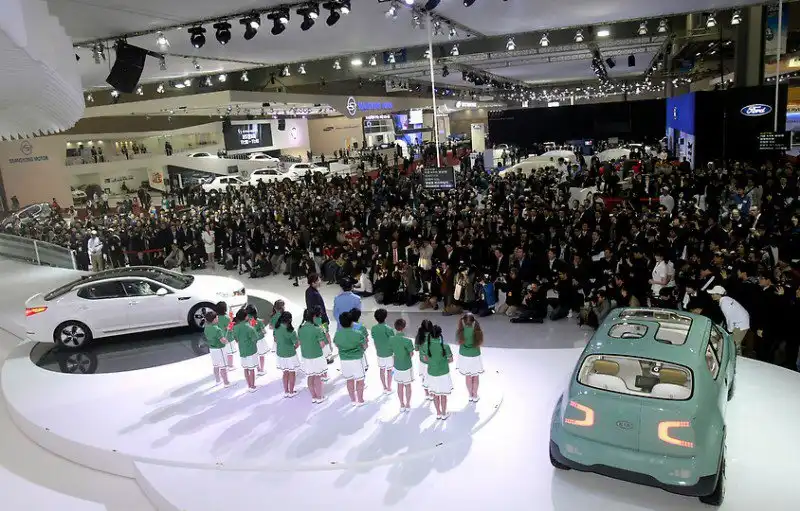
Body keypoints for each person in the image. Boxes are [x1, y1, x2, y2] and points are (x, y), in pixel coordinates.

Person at [333, 311, 368, 406]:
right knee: (360, 380)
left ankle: (353, 400)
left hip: (344, 360)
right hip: (357, 360)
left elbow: (337, 344)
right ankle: (360, 400)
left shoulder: (337, 334)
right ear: (352, 322)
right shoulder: (358, 333)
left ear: (341, 323)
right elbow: (365, 346)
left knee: (349, 380)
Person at [421, 325, 454, 420]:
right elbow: (450, 360)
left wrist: (433, 362)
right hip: (443, 373)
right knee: (443, 394)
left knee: (435, 394)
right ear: (440, 334)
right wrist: (442, 362)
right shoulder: (445, 346)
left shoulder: (425, 345)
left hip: (432, 373)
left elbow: (425, 359)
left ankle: (438, 413)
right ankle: (444, 413)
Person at [708, 286, 750, 356]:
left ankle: (737, 358)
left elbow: (730, 318)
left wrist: (730, 330)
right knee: (735, 344)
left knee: (732, 345)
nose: (711, 295)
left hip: (740, 324)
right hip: (742, 322)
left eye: (713, 294)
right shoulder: (726, 299)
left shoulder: (724, 303)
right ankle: (738, 356)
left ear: (719, 295)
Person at [298, 308, 328, 403]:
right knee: (318, 377)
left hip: (305, 356)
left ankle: (314, 396)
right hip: (316, 356)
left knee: (310, 376)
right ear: (313, 316)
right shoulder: (317, 328)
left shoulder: (300, 328)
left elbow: (299, 342)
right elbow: (322, 345)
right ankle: (320, 397)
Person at [456, 313, 484, 402]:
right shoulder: (477, 331)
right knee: (475, 376)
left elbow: (459, 342)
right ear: (473, 321)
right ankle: (475, 395)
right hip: (475, 355)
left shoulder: (460, 331)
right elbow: (480, 342)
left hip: (464, 356)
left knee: (468, 376)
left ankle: (470, 395)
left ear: (463, 321)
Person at [389, 318, 415, 412]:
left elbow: (391, 351)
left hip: (397, 365)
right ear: (404, 327)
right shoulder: (407, 341)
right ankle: (408, 404)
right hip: (406, 365)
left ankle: (401, 404)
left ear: (395, 327)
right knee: (407, 385)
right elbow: (411, 354)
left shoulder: (391, 339)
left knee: (399, 386)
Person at [274, 311, 301, 398]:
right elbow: (297, 344)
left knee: (285, 372)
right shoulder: (291, 331)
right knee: (292, 372)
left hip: (280, 354)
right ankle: (291, 391)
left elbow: (275, 339)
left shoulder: (276, 328)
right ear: (290, 320)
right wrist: (293, 348)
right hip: (290, 354)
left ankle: (286, 391)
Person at [232, 309, 259, 392]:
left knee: (246, 369)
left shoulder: (235, 327)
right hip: (251, 351)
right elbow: (255, 339)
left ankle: (249, 385)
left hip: (242, 351)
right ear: (246, 317)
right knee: (251, 369)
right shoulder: (250, 328)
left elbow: (236, 339)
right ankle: (253, 386)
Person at [371, 308, 395, 394]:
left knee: (382, 370)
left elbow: (374, 340)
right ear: (385, 317)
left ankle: (384, 387)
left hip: (379, 353)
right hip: (389, 353)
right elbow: (393, 341)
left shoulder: (373, 328)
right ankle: (389, 388)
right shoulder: (389, 329)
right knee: (389, 370)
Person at [203, 310, 230, 387]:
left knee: (215, 366)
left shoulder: (206, 328)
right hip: (220, 349)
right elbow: (223, 341)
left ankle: (218, 380)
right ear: (214, 319)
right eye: (217, 317)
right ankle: (226, 382)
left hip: (212, 349)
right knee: (223, 367)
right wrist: (226, 341)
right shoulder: (217, 329)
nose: (218, 318)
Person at [415, 319, 434, 401]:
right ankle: (432, 393)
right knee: (432, 377)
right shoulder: (434, 335)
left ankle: (426, 393)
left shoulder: (419, 335)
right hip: (432, 361)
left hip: (423, 361)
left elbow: (416, 349)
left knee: (423, 376)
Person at [246, 304, 268, 375]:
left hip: (252, 341)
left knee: (255, 355)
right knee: (261, 355)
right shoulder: (259, 321)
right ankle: (262, 369)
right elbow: (264, 331)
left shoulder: (247, 322)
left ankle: (258, 369)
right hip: (260, 341)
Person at [216, 301, 235, 369]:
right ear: (225, 309)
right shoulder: (227, 318)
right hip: (228, 338)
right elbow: (231, 329)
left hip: (220, 338)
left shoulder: (216, 318)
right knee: (229, 353)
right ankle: (230, 365)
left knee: (223, 353)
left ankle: (223, 364)